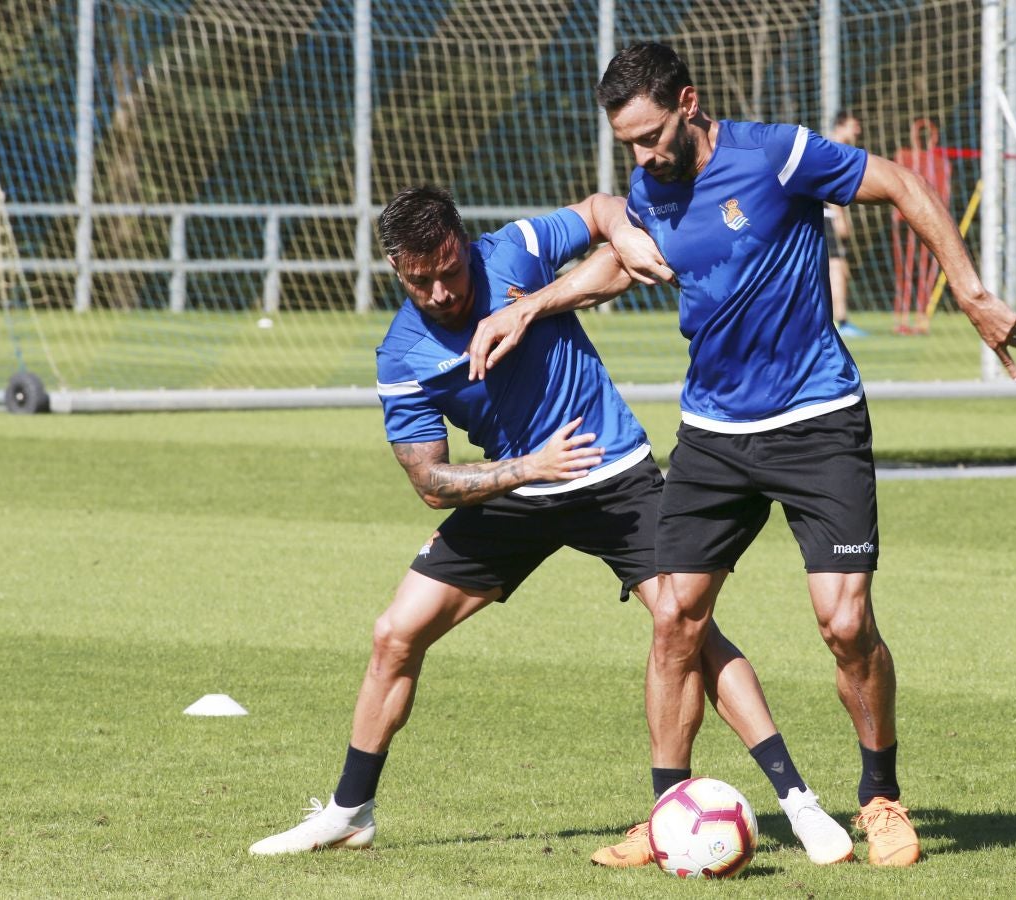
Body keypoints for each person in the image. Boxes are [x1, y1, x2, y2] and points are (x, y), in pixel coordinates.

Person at [468, 43, 1016, 868]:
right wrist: (534, 307)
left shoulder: (777, 154)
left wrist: (973, 293)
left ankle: (879, 796)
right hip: (713, 437)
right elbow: (620, 268)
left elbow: (904, 187)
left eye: (653, 135)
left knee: (845, 626)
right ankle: (667, 813)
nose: (644, 155)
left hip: (818, 421)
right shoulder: (649, 189)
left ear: (689, 104)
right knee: (674, 621)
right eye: (628, 143)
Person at [247, 185, 855, 867]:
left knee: (685, 626)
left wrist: (622, 238)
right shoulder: (402, 354)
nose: (443, 290)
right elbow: (431, 482)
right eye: (422, 280)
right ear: (396, 270)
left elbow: (601, 208)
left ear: (464, 244)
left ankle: (798, 802)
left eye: (450, 269)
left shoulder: (513, 251)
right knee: (395, 632)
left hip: (610, 472)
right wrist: (529, 467)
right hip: (520, 483)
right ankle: (348, 812)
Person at [826, 110, 866, 338]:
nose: (857, 131)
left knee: (837, 268)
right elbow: (829, 188)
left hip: (825, 215)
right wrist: (839, 218)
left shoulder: (833, 148)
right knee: (837, 268)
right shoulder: (834, 149)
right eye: (854, 125)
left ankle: (837, 320)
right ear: (841, 126)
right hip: (826, 216)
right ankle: (841, 322)